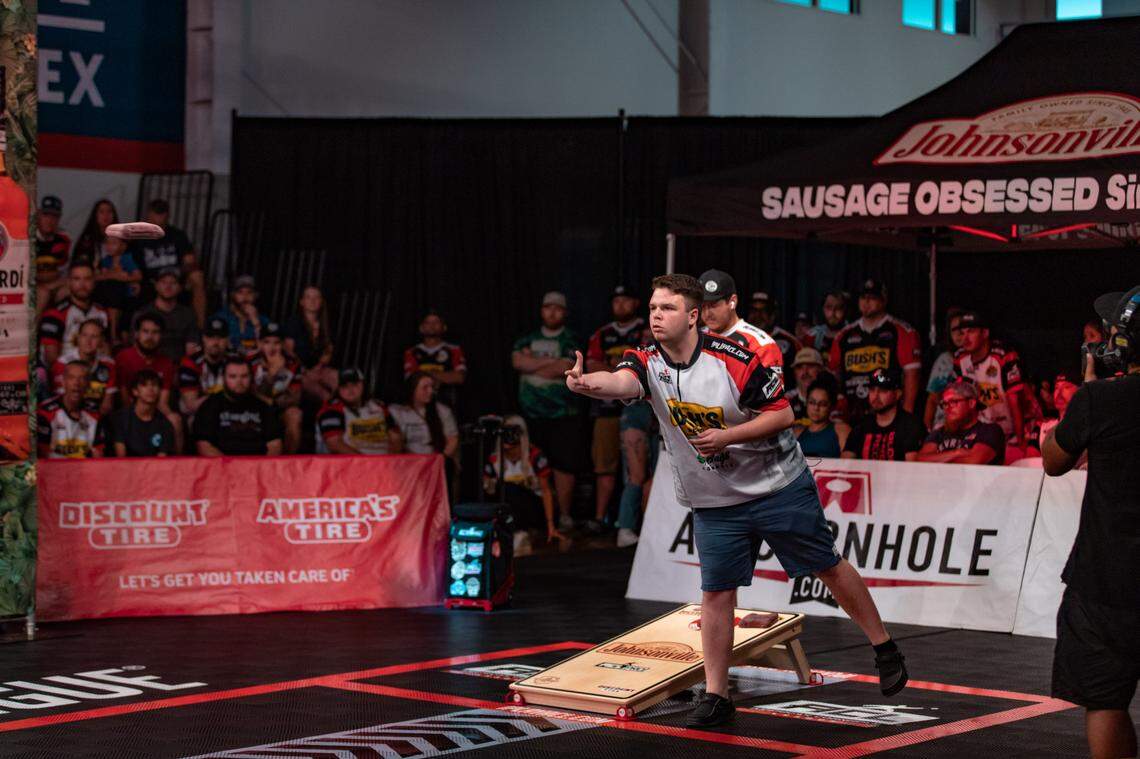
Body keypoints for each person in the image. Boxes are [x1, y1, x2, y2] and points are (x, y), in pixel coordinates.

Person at [565, 273, 906, 728]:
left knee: (826, 564)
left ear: (692, 317)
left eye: (666, 309)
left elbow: (783, 413)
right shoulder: (646, 359)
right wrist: (588, 383)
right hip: (715, 500)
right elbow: (623, 383)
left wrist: (728, 436)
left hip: (776, 486)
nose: (655, 316)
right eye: (652, 308)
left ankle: (883, 645)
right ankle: (717, 694)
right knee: (717, 591)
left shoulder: (734, 357)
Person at [1041, 285, 1140, 759]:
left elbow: (1054, 459)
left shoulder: (1101, 400)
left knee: (1105, 701)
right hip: (1108, 582)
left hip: (1106, 582)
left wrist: (1087, 390)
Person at [511, 291, 583, 530]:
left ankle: (563, 515)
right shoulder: (526, 338)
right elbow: (517, 363)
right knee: (532, 464)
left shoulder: (571, 339)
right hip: (531, 415)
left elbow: (565, 367)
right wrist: (550, 364)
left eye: (557, 308)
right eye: (547, 307)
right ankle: (536, 516)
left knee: (564, 466)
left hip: (564, 415)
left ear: (564, 312)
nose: (552, 312)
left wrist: (533, 365)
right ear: (541, 310)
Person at [583, 285, 645, 534]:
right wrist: (624, 373)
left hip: (641, 409)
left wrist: (614, 370)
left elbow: (647, 365)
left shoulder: (647, 330)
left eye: (625, 300)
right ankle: (600, 518)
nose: (620, 305)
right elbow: (591, 365)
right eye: (616, 300)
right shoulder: (603, 333)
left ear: (636, 303)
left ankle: (636, 524)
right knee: (604, 466)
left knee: (638, 471)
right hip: (607, 409)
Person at [830, 279, 922, 422]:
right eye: (863, 297)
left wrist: (907, 415)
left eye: (872, 298)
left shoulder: (902, 331)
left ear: (884, 301)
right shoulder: (843, 335)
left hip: (888, 413)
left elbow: (912, 375)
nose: (866, 302)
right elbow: (834, 374)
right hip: (851, 413)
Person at [952, 311, 1029, 459]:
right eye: (963, 332)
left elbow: (1015, 401)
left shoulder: (1004, 355)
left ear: (985, 333)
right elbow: (959, 400)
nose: (965, 338)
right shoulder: (959, 358)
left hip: (1010, 432)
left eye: (971, 332)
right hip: (979, 435)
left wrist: (1021, 443)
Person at [483, 415, 563, 555]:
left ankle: (522, 533)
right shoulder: (495, 460)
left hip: (535, 507)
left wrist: (551, 525)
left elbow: (546, 491)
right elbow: (487, 490)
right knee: (504, 490)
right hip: (508, 509)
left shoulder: (535, 456)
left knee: (511, 489)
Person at [131, 199, 208, 326]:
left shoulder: (177, 235)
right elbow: (133, 264)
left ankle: (201, 326)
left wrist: (187, 274)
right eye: (156, 214)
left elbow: (190, 261)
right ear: (149, 215)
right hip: (152, 280)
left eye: (162, 214)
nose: (159, 218)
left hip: (176, 277)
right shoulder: (139, 239)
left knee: (197, 276)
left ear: (167, 215)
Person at [114, 313, 183, 451]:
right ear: (136, 334)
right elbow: (124, 398)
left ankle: (177, 467)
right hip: (130, 411)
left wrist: (165, 418)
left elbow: (163, 402)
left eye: (155, 332)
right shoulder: (124, 357)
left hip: (154, 410)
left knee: (175, 420)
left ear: (161, 336)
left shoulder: (166, 362)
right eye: (145, 331)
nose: (150, 337)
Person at [194, 357, 283, 456]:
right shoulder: (210, 405)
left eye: (244, 376)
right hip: (221, 467)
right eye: (233, 376)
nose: (239, 381)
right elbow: (204, 445)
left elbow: (275, 444)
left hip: (258, 466)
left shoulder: (263, 406)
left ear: (251, 378)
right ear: (223, 379)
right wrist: (230, 468)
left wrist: (262, 468)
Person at [841, 368, 924, 461]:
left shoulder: (910, 424)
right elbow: (845, 463)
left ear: (897, 394)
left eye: (883, 390)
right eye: (872, 390)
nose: (875, 396)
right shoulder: (861, 426)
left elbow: (912, 467)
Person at [315, 368, 402, 455]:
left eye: (354, 384)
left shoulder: (379, 407)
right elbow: (334, 444)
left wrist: (389, 463)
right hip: (349, 464)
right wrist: (366, 462)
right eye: (344, 386)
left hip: (383, 462)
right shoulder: (331, 410)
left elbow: (396, 437)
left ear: (363, 385)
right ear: (337, 389)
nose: (350, 389)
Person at [916, 380, 1005, 465]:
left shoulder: (990, 430)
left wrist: (937, 459)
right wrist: (957, 452)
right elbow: (919, 460)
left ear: (971, 403)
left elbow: (974, 461)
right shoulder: (938, 433)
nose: (947, 408)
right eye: (945, 404)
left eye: (953, 402)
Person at [39, 263, 109, 367]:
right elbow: (51, 359)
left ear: (94, 282)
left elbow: (106, 349)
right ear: (68, 282)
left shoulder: (101, 312)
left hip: (95, 371)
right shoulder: (54, 314)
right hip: (65, 373)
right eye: (77, 279)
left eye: (87, 279)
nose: (82, 284)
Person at [249, 322, 303, 453]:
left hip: (278, 408)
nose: (271, 348)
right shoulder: (250, 361)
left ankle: (288, 462)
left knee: (295, 414)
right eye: (267, 342)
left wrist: (274, 402)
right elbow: (251, 395)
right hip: (252, 408)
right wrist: (272, 373)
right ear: (260, 343)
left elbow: (295, 397)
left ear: (283, 344)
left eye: (276, 343)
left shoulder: (292, 363)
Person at [401, 309, 466, 412]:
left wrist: (424, 375)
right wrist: (441, 377)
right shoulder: (411, 352)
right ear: (421, 328)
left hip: (448, 404)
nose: (432, 325)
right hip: (420, 408)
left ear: (444, 327)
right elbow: (411, 380)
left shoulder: (454, 350)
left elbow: (459, 377)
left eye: (436, 322)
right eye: (428, 322)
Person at [284, 285, 339, 405]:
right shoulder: (294, 322)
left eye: (316, 297)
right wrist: (304, 370)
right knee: (320, 391)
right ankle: (330, 410)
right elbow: (288, 350)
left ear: (321, 302)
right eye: (308, 297)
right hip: (299, 370)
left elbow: (328, 349)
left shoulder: (326, 323)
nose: (312, 301)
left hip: (319, 368)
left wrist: (319, 367)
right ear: (302, 302)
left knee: (338, 378)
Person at [37, 361, 104, 458]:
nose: (76, 383)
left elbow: (98, 454)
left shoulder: (95, 414)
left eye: (82, 378)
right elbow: (43, 455)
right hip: (54, 470)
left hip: (85, 470)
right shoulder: (46, 412)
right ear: (63, 382)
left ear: (88, 384)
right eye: (71, 377)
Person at [50, 318, 117, 416]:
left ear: (101, 341)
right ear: (78, 338)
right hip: (68, 415)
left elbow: (107, 405)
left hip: (97, 416)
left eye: (94, 336)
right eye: (84, 335)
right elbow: (62, 401)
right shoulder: (62, 363)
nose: (88, 341)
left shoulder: (109, 364)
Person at [135, 268, 200, 362]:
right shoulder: (142, 313)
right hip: (149, 365)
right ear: (156, 285)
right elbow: (135, 347)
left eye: (173, 283)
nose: (168, 286)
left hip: (179, 367)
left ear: (180, 288)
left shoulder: (188, 315)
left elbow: (192, 348)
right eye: (163, 282)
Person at [108, 369, 176, 457]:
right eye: (144, 385)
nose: (151, 389)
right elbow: (121, 458)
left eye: (154, 385)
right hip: (125, 468)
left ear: (160, 391)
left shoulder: (165, 424)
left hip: (154, 469)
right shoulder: (120, 419)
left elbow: (161, 460)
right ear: (135, 391)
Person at [390, 371, 458, 457]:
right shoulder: (397, 411)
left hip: (433, 461)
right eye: (425, 388)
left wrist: (441, 458)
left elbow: (452, 439)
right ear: (413, 389)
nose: (430, 391)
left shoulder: (442, 411)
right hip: (406, 461)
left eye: (432, 387)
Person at [93, 233, 143, 341]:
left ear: (123, 246)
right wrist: (115, 275)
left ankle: (114, 335)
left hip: (127, 296)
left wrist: (118, 277)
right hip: (110, 295)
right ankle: (111, 334)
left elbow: (138, 276)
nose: (109, 246)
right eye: (107, 243)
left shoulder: (127, 259)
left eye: (114, 243)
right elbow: (99, 277)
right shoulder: (106, 260)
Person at [178, 317, 230, 419]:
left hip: (230, 412)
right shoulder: (190, 363)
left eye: (220, 337)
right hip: (199, 413)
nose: (215, 342)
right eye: (210, 336)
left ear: (228, 339)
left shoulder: (235, 361)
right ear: (203, 338)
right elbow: (191, 405)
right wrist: (225, 394)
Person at [924, 308, 966, 430]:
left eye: (962, 328)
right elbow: (932, 400)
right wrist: (928, 433)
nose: (959, 334)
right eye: (954, 330)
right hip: (944, 425)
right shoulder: (945, 360)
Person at [34, 195, 71, 318]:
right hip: (32, 285)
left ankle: (54, 331)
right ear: (38, 214)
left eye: (54, 216)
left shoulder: (63, 239)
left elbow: (62, 272)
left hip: (53, 284)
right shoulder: (28, 236)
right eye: (46, 215)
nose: (50, 220)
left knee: (67, 290)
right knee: (43, 293)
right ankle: (32, 334)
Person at [795, 379, 851, 458]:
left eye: (823, 404)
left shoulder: (841, 430)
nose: (816, 408)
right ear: (806, 403)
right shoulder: (797, 433)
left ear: (831, 406)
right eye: (812, 402)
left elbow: (848, 465)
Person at [213, 275, 268, 353]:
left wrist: (256, 322)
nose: (245, 296)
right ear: (233, 295)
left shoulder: (264, 321)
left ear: (255, 296)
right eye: (240, 292)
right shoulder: (221, 317)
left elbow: (268, 348)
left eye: (249, 292)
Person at [747, 291, 800, 371]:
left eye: (764, 311)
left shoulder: (789, 341)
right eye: (754, 311)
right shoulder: (737, 338)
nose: (757, 316)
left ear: (773, 315)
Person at [70, 198, 118, 266]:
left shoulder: (121, 237)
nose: (106, 215)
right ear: (95, 215)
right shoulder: (87, 239)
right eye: (101, 212)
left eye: (109, 211)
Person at [787, 347, 825, 423]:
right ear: (795, 372)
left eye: (810, 366)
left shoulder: (835, 400)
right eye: (800, 367)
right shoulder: (786, 401)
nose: (805, 372)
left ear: (820, 370)